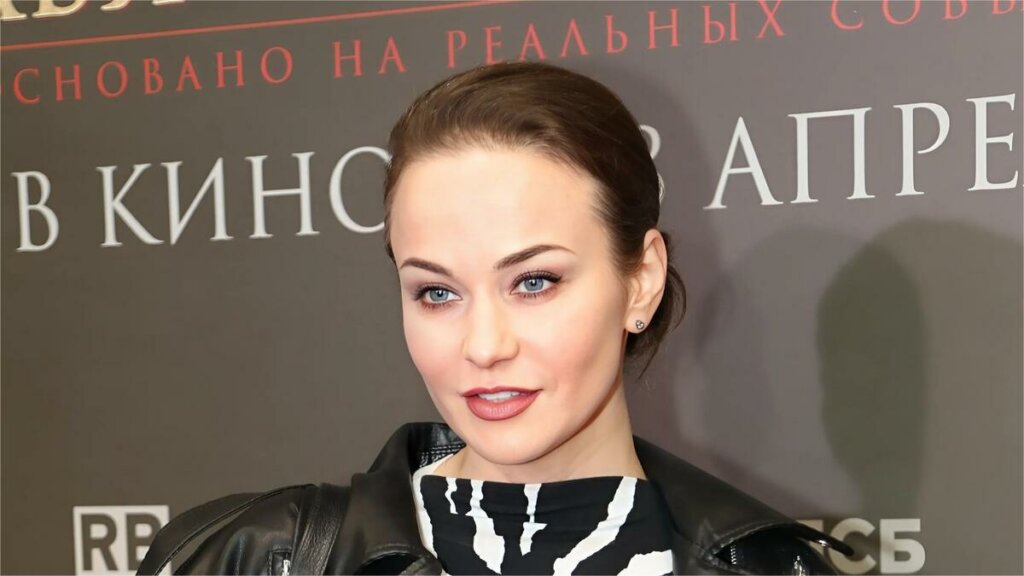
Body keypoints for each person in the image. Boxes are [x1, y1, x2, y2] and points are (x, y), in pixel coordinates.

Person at [140, 61, 852, 575]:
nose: (483, 346)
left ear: (641, 282)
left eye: (534, 282)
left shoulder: (776, 570)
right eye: (436, 293)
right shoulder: (253, 559)